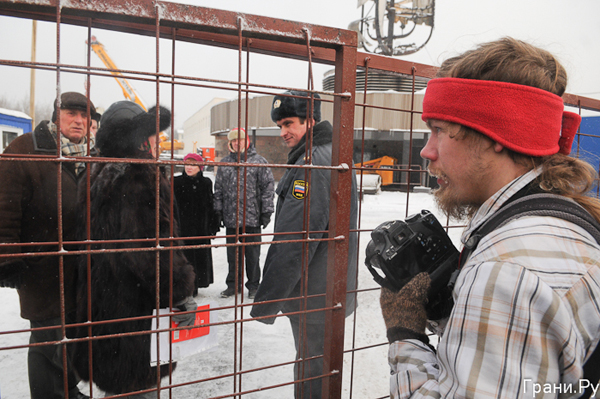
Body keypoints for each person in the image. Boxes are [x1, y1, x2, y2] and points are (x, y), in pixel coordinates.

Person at [379, 37, 600, 398]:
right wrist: (450, 308)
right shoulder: (564, 218)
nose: (426, 151)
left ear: (495, 134)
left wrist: (405, 335)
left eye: (438, 130)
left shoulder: (506, 272)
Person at [71, 101, 197, 398]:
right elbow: (150, 250)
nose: (158, 141)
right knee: (139, 391)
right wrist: (179, 293)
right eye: (153, 134)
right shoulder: (139, 176)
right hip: (134, 316)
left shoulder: (95, 174)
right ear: (138, 139)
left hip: (101, 310)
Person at [250, 91, 358, 399]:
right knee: (321, 369)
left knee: (313, 376)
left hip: (314, 295)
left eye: (288, 123)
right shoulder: (334, 155)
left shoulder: (310, 166)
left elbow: (295, 239)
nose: (283, 132)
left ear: (310, 121)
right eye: (279, 125)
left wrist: (267, 302)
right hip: (330, 287)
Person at [0, 92, 95, 399]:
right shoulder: (26, 149)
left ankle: (65, 390)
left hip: (80, 265)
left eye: (85, 116)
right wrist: (8, 258)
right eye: (71, 114)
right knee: (48, 339)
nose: (79, 121)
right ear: (57, 117)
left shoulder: (91, 155)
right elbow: (4, 206)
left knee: (70, 335)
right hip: (42, 265)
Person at [213, 127, 275, 299]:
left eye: (240, 140)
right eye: (233, 140)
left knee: (252, 256)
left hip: (252, 219)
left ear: (246, 141)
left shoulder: (259, 162)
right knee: (232, 256)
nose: (236, 143)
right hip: (231, 219)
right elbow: (218, 190)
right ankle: (233, 285)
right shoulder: (225, 164)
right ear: (230, 143)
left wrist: (266, 211)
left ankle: (254, 285)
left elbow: (268, 189)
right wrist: (218, 210)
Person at [174, 153, 220, 295]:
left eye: (193, 164)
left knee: (199, 258)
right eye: (187, 164)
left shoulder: (206, 183)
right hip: (182, 227)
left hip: (201, 227)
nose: (189, 167)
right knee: (183, 257)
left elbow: (210, 204)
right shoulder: (176, 182)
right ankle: (184, 286)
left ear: (200, 167)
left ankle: (197, 284)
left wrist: (213, 224)